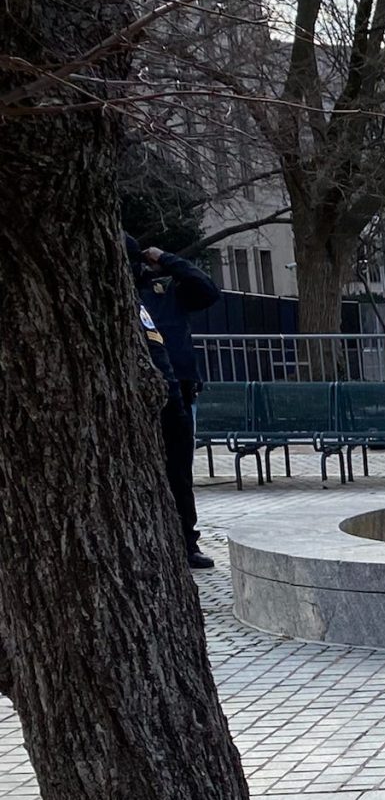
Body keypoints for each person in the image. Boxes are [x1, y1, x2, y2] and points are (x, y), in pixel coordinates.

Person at [128, 235, 220, 570]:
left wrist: (166, 259)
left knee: (179, 472)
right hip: (141, 392)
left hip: (180, 386)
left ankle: (187, 542)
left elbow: (207, 291)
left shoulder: (163, 288)